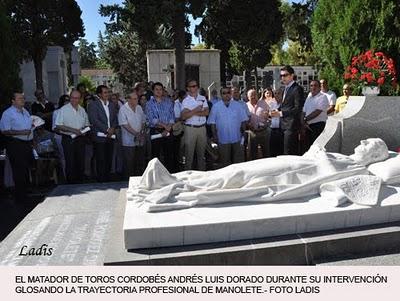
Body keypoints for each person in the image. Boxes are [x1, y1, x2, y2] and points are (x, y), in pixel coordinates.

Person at [129, 138, 389, 212]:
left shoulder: (359, 170)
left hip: (291, 176)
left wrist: (321, 158)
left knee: (237, 176)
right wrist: (318, 153)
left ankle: (174, 184)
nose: (361, 143)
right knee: (233, 170)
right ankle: (178, 180)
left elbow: (341, 187)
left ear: (374, 156)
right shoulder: (346, 157)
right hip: (290, 163)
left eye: (368, 145)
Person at [0, 93, 34, 203]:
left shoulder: (26, 112)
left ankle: (25, 194)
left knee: (25, 170)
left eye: (23, 98)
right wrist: (22, 132)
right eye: (19, 98)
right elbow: (5, 130)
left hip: (26, 144)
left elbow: (27, 127)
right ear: (13, 101)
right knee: (19, 171)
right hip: (15, 144)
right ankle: (20, 197)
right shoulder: (8, 113)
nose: (22, 100)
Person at [54, 90, 90, 184]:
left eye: (77, 98)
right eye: (73, 98)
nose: (75, 100)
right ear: (70, 98)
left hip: (80, 139)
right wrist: (73, 130)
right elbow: (58, 125)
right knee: (70, 163)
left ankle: (80, 183)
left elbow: (87, 124)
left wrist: (85, 130)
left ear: (80, 99)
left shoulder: (82, 109)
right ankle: (71, 186)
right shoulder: (64, 109)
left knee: (81, 162)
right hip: (68, 139)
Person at [208, 87, 249, 167]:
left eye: (228, 93)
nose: (226, 95)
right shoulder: (216, 107)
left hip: (237, 137)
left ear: (231, 94)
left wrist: (244, 133)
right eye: (224, 93)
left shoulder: (238, 106)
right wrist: (215, 136)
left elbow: (243, 120)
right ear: (221, 95)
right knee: (225, 162)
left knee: (238, 162)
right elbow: (212, 123)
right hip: (222, 138)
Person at [270, 65, 304, 155]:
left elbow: (298, 109)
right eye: (281, 76)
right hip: (283, 126)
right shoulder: (285, 88)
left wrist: (281, 113)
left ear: (292, 75)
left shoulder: (297, 89)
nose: (282, 78)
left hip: (291, 127)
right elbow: (286, 106)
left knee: (289, 154)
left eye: (285, 75)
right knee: (282, 153)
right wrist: (275, 111)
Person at [87, 85, 118, 182]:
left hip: (110, 136)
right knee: (100, 159)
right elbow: (94, 120)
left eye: (108, 92)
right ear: (99, 94)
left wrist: (112, 128)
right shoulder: (93, 104)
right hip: (99, 136)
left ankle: (108, 178)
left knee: (109, 158)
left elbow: (114, 119)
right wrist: (106, 129)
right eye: (105, 92)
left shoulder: (112, 104)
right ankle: (101, 180)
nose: (107, 94)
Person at [145, 82, 175, 172]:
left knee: (169, 154)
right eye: (156, 89)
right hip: (156, 131)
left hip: (168, 130)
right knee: (155, 156)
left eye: (160, 89)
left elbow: (172, 116)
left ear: (163, 90)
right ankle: (156, 176)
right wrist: (165, 126)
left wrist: (168, 127)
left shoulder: (168, 102)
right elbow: (152, 119)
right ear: (153, 91)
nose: (159, 91)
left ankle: (170, 174)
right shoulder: (149, 104)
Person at [181, 79, 209, 171]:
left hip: (202, 128)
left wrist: (191, 112)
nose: (195, 87)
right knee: (189, 155)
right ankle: (187, 176)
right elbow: (184, 116)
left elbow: (206, 112)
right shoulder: (185, 101)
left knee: (202, 155)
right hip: (190, 129)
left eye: (196, 85)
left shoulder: (203, 98)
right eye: (193, 86)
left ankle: (202, 174)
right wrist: (196, 110)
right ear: (188, 88)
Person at [118, 92, 146, 177]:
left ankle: (138, 180)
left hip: (139, 139)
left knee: (139, 161)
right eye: (134, 99)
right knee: (129, 162)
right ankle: (127, 181)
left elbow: (143, 121)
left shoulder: (139, 108)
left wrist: (140, 133)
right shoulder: (123, 109)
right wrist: (136, 134)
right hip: (128, 140)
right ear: (128, 100)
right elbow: (124, 124)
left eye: (137, 98)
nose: (136, 100)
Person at [302, 80, 330, 151]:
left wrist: (305, 119)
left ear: (319, 87)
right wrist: (303, 121)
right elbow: (304, 111)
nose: (313, 87)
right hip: (308, 126)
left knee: (316, 149)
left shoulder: (323, 97)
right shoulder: (309, 98)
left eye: (315, 85)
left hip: (318, 126)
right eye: (311, 86)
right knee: (308, 148)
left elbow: (318, 111)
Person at [246, 89, 270, 160]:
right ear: (248, 97)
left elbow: (269, 116)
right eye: (251, 96)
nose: (253, 97)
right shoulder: (245, 106)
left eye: (255, 95)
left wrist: (267, 121)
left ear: (257, 95)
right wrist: (248, 125)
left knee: (266, 152)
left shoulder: (264, 103)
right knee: (253, 153)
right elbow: (244, 119)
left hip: (263, 131)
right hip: (252, 132)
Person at [264, 87, 283, 157]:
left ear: (282, 94)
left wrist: (277, 113)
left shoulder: (285, 104)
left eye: (279, 93)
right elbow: (267, 114)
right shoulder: (271, 104)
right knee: (273, 151)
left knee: (281, 151)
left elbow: (285, 114)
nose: (277, 95)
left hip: (282, 130)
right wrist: (268, 115)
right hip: (272, 131)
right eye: (275, 93)